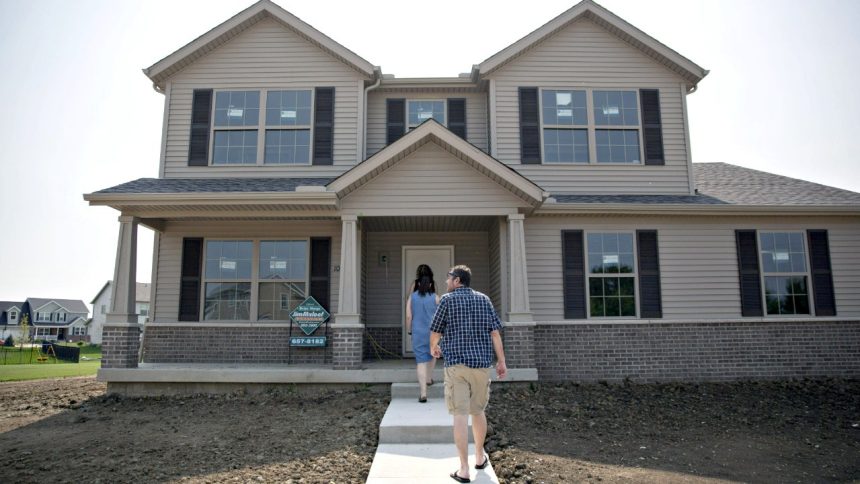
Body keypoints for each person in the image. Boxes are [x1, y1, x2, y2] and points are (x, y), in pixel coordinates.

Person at [430, 265, 507, 483]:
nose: (446, 281)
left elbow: (436, 330)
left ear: (457, 280)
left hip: (456, 366)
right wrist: (501, 361)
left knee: (460, 415)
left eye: (449, 278)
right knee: (478, 411)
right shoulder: (484, 299)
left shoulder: (447, 300)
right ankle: (479, 457)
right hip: (481, 366)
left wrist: (433, 347)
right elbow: (495, 333)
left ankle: (464, 470)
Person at [405, 264, 440, 402]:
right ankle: (429, 378)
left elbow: (409, 316)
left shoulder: (412, 297)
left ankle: (423, 393)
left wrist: (409, 330)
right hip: (433, 333)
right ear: (430, 284)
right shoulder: (436, 298)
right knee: (433, 354)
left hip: (418, 333)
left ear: (418, 284)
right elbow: (441, 316)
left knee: (421, 361)